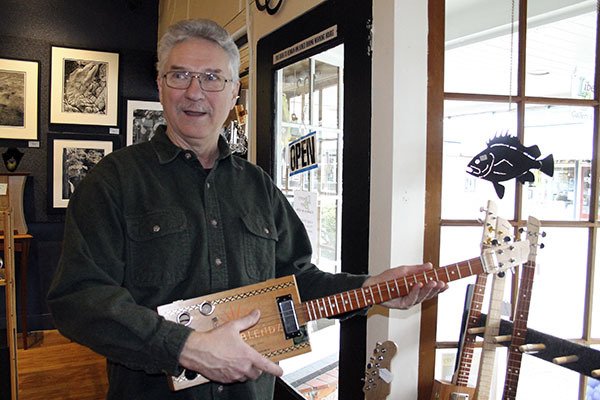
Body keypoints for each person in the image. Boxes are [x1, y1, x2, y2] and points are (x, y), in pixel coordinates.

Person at [47, 18, 447, 400]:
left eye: (211, 78)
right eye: (179, 75)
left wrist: (370, 288)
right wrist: (186, 348)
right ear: (160, 84)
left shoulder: (258, 186)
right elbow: (78, 299)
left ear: (234, 92)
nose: (195, 92)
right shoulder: (113, 181)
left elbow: (297, 283)